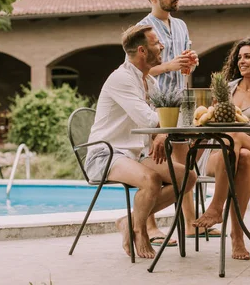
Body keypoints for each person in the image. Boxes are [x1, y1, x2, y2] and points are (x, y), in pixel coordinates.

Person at [84, 25, 197, 259]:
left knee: (187, 177)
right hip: (104, 154)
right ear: (142, 51)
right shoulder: (122, 79)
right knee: (151, 180)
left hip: (134, 155)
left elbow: (160, 122)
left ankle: (130, 220)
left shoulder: (150, 83)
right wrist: (165, 127)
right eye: (157, 43)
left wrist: (162, 134)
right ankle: (140, 229)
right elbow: (149, 119)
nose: (162, 46)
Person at [193, 38, 250, 260]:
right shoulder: (226, 90)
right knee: (241, 156)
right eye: (239, 57)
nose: (241, 61)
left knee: (237, 135)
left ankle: (215, 207)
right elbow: (208, 119)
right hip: (220, 154)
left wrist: (246, 126)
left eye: (248, 56)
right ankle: (237, 237)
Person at [135, 0, 202, 244]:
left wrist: (190, 62)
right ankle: (149, 226)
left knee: (184, 164)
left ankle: (190, 223)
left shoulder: (181, 25)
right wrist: (171, 65)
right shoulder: (142, 31)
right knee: (155, 165)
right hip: (153, 106)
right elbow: (140, 70)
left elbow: (183, 62)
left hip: (181, 102)